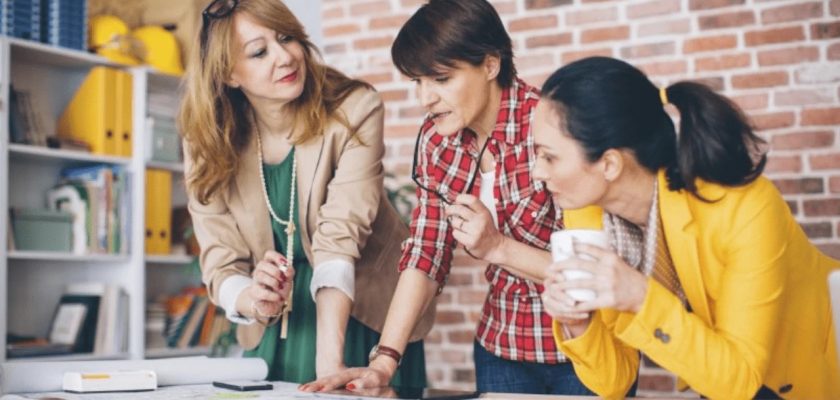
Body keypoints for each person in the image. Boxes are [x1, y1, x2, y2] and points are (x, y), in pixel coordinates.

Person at [303, 0, 604, 396]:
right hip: (503, 348)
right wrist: (383, 362)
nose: (425, 98)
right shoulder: (437, 141)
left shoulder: (551, 128)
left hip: (585, 352)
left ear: (491, 65)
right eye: (418, 81)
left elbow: (592, 272)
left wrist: (497, 246)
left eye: (440, 79)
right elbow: (426, 252)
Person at [533, 56, 840, 399]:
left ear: (609, 164)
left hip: (815, 373)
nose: (536, 172)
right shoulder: (588, 215)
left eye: (548, 156)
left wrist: (640, 297)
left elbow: (739, 381)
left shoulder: (745, 208)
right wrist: (580, 324)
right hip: (717, 373)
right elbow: (614, 382)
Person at [178, 0, 434, 385]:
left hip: (361, 312)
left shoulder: (354, 108)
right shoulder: (207, 139)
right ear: (230, 73)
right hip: (277, 326)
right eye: (259, 52)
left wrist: (330, 366)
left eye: (287, 38)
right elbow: (220, 258)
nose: (285, 57)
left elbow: (340, 237)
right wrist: (252, 297)